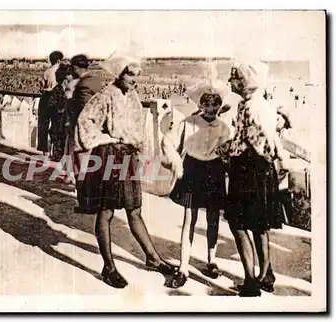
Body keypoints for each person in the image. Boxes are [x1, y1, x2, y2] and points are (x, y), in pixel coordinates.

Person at [75, 51, 174, 289]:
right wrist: (103, 139)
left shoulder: (132, 95)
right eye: (130, 74)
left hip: (127, 157)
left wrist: (139, 152)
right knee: (106, 211)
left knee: (134, 209)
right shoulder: (107, 95)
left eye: (136, 75)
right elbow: (85, 121)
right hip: (109, 155)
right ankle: (108, 267)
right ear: (120, 73)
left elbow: (138, 127)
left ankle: (153, 258)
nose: (134, 79)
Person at [215, 60, 288, 297]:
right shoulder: (264, 105)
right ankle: (266, 275)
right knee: (259, 225)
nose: (230, 82)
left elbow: (244, 143)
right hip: (265, 171)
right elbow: (269, 140)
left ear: (245, 83)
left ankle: (250, 281)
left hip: (247, 171)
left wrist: (223, 149)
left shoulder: (246, 107)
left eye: (234, 78)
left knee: (238, 225)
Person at [163, 80, 233, 288]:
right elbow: (168, 142)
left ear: (220, 105)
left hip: (214, 171)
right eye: (207, 104)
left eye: (215, 104)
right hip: (192, 170)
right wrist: (175, 162)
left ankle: (212, 261)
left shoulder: (224, 127)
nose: (211, 109)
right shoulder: (188, 122)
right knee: (189, 219)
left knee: (213, 219)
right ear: (200, 104)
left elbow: (228, 151)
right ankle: (183, 266)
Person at [68, 54, 106, 211]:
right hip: (97, 132)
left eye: (72, 67)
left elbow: (82, 112)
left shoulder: (83, 85)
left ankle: (85, 203)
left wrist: (70, 101)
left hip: (84, 133)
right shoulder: (97, 81)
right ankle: (94, 200)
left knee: (81, 167)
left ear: (77, 67)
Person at [38, 50, 64, 155]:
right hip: (57, 98)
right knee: (56, 124)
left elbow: (42, 86)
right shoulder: (62, 71)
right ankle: (56, 150)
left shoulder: (47, 72)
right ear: (59, 60)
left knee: (43, 124)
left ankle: (45, 150)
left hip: (46, 97)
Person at [48, 63, 70, 161]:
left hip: (58, 116)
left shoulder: (57, 89)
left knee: (57, 135)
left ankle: (58, 154)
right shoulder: (60, 90)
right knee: (59, 135)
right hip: (59, 116)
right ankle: (59, 154)